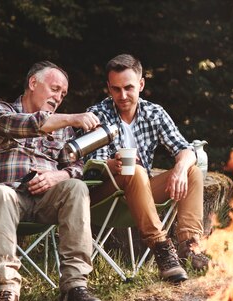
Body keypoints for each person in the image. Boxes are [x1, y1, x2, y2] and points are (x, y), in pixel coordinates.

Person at [0, 61, 103, 301]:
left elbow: (77, 166)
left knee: (76, 187)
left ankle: (75, 287)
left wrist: (58, 175)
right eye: (55, 89)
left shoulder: (63, 130)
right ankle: (5, 289)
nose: (58, 98)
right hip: (7, 198)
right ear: (33, 83)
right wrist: (72, 117)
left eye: (63, 94)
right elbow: (29, 124)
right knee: (2, 193)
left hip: (45, 200)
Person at [87, 54, 209, 283]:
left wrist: (181, 168)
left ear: (141, 85)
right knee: (135, 170)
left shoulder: (154, 112)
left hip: (142, 193)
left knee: (192, 170)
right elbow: (92, 165)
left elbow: (184, 148)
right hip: (107, 197)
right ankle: (162, 250)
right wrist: (113, 164)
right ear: (108, 89)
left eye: (129, 88)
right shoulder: (97, 114)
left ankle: (190, 246)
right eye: (116, 89)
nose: (122, 96)